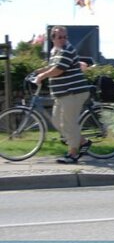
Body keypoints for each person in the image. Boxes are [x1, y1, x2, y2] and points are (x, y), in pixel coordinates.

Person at [35, 26, 93, 164]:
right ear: (53, 38)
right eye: (60, 37)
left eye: (65, 37)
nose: (63, 39)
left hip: (73, 92)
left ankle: (72, 154)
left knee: (69, 124)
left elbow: (58, 70)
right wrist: (37, 72)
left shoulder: (67, 50)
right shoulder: (55, 51)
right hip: (61, 94)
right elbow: (52, 67)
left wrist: (42, 76)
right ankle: (83, 142)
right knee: (56, 121)